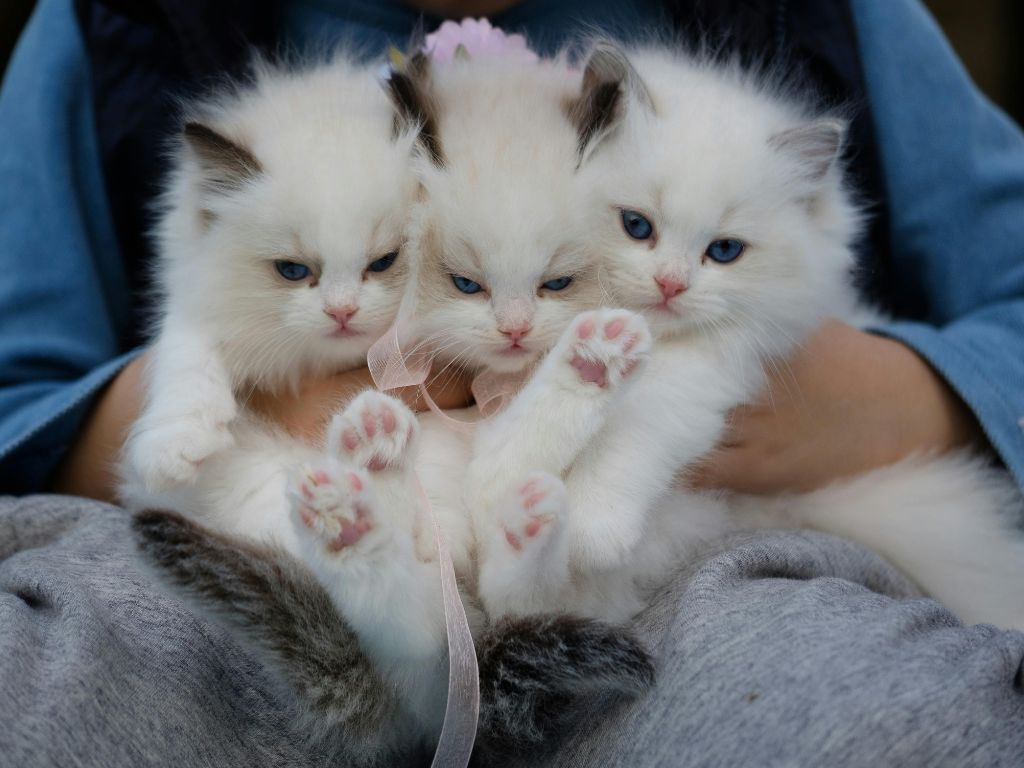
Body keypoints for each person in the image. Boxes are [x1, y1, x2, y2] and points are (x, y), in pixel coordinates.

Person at [0, 1, 1022, 766]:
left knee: (881, 719)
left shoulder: (826, 18)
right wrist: (243, 391)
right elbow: (20, 391)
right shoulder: (112, 22)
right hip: (241, 563)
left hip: (702, 565)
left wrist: (893, 396)